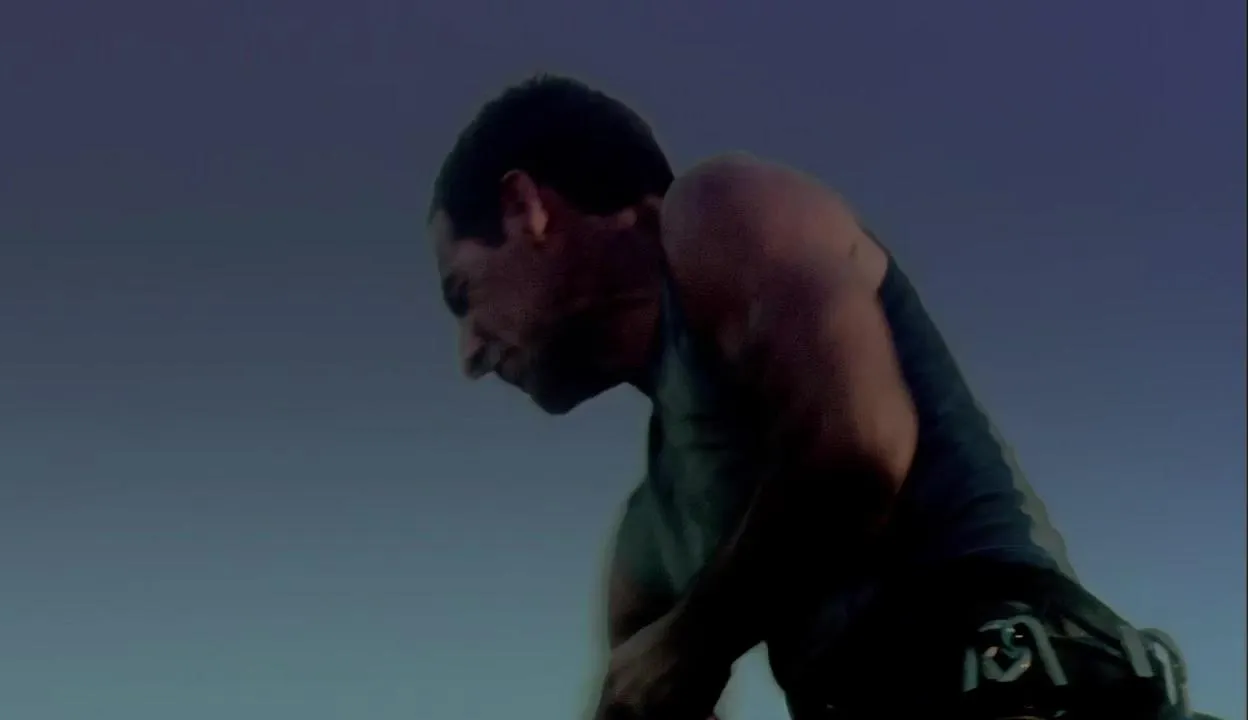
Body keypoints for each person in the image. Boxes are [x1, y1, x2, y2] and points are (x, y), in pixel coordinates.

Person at [427, 74, 1198, 719]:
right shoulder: (648, 538)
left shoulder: (717, 208)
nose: (470, 355)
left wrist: (690, 639)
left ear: (525, 207)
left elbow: (857, 453)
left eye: (463, 294)